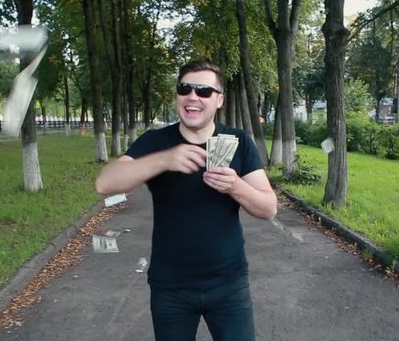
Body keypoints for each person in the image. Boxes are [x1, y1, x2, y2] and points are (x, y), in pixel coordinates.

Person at [95, 60, 277, 341]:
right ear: (178, 96)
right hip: (171, 287)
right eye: (185, 89)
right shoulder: (156, 142)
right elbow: (105, 184)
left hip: (229, 284)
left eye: (204, 91)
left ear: (219, 100)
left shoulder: (238, 140)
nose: (193, 96)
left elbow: (268, 208)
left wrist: (236, 186)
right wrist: (164, 159)